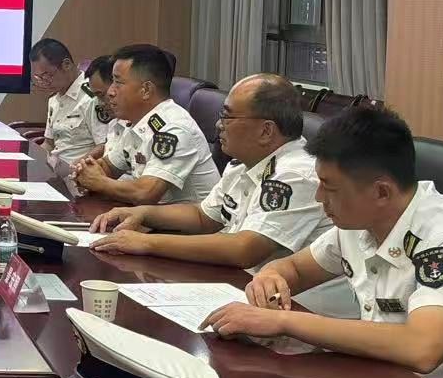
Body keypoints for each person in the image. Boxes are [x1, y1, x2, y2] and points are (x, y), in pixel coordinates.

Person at [203, 104, 443, 378]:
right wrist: (271, 276)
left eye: (329, 188)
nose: (319, 198)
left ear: (382, 192)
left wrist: (283, 322)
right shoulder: (360, 223)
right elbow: (296, 268)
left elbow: (422, 348)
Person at [89, 73, 332, 269]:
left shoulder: (295, 175)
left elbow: (245, 249)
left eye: (227, 117)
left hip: (295, 306)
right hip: (240, 284)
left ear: (266, 131)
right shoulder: (243, 164)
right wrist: (142, 213)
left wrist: (146, 242)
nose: (218, 125)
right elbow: (203, 217)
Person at [72, 43, 220, 204]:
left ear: (146, 90)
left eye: (118, 82)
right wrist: (86, 171)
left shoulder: (173, 129)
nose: (110, 92)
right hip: (148, 215)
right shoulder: (138, 124)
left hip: (185, 220)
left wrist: (98, 182)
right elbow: (108, 166)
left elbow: (145, 193)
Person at [28, 37, 110, 164]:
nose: (44, 83)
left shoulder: (93, 96)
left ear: (66, 65)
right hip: (56, 168)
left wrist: (74, 167)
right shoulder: (54, 100)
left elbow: (103, 146)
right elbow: (49, 144)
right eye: (39, 78)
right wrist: (32, 160)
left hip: (79, 169)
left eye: (47, 75)